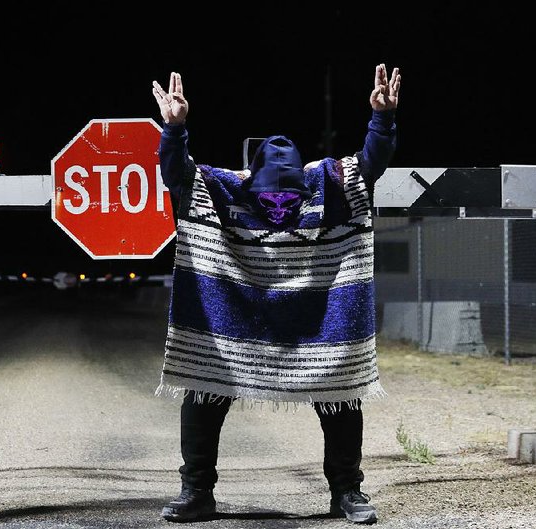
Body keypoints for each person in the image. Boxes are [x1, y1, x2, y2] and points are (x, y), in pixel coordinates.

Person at [151, 63, 400, 525]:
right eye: (270, 198)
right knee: (207, 381)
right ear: (251, 185)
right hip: (238, 318)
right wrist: (175, 128)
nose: (280, 208)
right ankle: (196, 491)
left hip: (316, 319)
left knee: (341, 388)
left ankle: (347, 491)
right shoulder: (222, 187)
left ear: (305, 186)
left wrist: (381, 119)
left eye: (290, 198)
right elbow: (177, 174)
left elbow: (369, 164)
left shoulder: (329, 182)